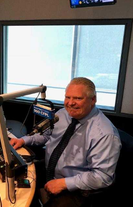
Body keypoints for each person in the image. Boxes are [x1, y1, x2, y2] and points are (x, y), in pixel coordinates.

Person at [10, 77, 121, 207]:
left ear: (93, 100)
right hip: (49, 169)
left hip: (77, 188)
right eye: (67, 97)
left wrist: (64, 183)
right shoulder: (63, 114)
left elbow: (102, 177)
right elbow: (46, 135)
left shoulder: (105, 134)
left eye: (78, 98)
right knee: (13, 179)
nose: (70, 103)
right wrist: (24, 140)